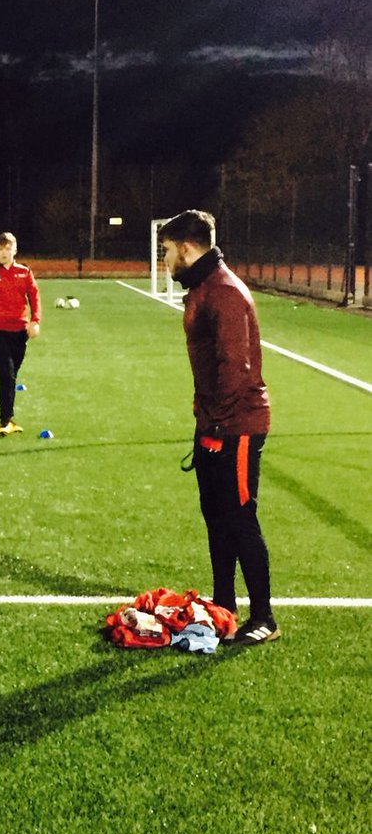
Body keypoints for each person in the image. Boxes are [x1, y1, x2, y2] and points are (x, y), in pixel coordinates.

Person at [160, 209, 279, 646]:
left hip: (237, 425)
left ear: (186, 248)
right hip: (214, 422)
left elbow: (236, 369)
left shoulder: (224, 292)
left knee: (241, 519)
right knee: (216, 515)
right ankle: (224, 605)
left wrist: (216, 428)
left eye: (167, 251)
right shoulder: (203, 286)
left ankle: (264, 617)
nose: (164, 260)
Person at [0, 231, 41, 435]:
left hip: (20, 332)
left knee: (11, 376)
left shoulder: (25, 272)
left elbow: (34, 296)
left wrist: (35, 321)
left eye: (8, 248)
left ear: (15, 250)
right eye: (0, 249)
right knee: (6, 372)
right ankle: (5, 420)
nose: (4, 252)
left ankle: (9, 419)